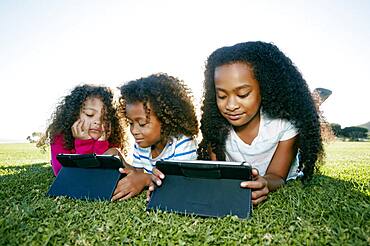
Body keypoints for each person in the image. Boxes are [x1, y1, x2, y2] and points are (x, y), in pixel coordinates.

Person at [151, 41, 324, 206]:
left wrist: (265, 183)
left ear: (264, 89)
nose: (231, 106)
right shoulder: (216, 128)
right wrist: (169, 179)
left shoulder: (284, 126)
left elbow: (277, 176)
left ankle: (316, 99)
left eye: (242, 94)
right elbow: (216, 173)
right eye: (222, 96)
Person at [111, 73, 199, 201]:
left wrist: (145, 179)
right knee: (113, 154)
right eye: (130, 123)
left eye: (142, 123)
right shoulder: (142, 142)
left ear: (166, 120)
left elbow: (178, 182)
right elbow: (138, 172)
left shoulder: (182, 143)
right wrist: (121, 162)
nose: (134, 131)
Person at [39, 84, 127, 176]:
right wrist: (83, 143)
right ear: (74, 115)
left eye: (105, 118)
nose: (98, 121)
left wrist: (101, 143)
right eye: (90, 114)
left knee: (112, 154)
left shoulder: (112, 136)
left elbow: (103, 173)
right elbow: (62, 174)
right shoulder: (59, 136)